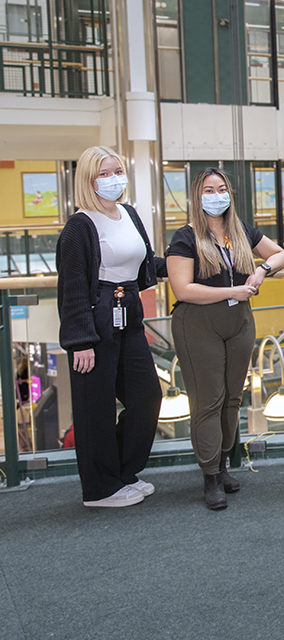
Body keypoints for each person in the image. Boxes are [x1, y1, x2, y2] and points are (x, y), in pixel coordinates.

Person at [166, 167, 284, 510]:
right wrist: (234, 289)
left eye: (222, 189)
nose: (216, 195)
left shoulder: (241, 232)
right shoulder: (185, 238)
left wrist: (263, 269)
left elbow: (280, 254)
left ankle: (222, 467)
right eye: (209, 189)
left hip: (240, 322)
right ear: (197, 196)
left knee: (234, 398)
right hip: (198, 324)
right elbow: (183, 289)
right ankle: (209, 477)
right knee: (209, 401)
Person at [56, 146, 164, 507]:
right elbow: (71, 286)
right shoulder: (79, 226)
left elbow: (146, 262)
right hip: (96, 314)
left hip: (129, 311)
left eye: (118, 170)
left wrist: (191, 260)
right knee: (95, 406)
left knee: (146, 396)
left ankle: (121, 471)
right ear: (89, 180)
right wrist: (80, 341)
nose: (114, 178)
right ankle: (99, 488)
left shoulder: (129, 214)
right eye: (105, 173)